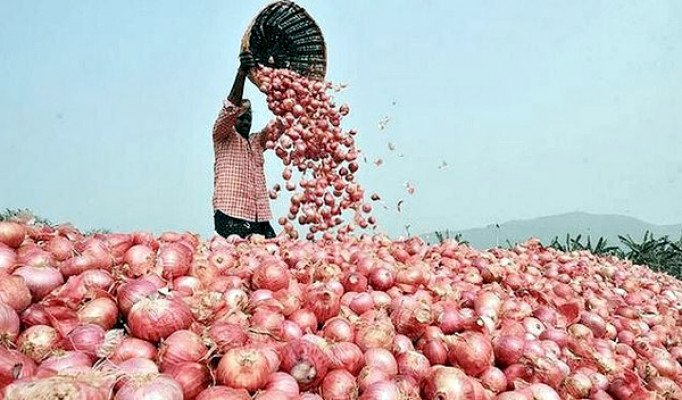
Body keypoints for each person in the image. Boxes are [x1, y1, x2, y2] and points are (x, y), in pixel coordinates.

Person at [211, 51, 281, 239]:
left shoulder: (257, 141)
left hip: (260, 217)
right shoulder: (222, 136)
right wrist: (242, 73)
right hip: (231, 214)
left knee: (272, 257)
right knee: (238, 259)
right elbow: (229, 108)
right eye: (242, 117)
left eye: (250, 117)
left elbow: (281, 125)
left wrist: (292, 99)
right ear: (233, 119)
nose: (247, 121)